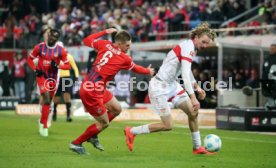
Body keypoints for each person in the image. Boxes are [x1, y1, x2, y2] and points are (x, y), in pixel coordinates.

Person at [124, 22, 217, 154]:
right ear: (196, 37)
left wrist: (197, 87)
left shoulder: (191, 47)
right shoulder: (188, 46)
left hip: (172, 85)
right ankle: (132, 131)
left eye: (207, 43)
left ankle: (197, 147)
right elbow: (185, 73)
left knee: (193, 112)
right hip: (159, 87)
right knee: (168, 125)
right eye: (203, 42)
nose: (205, 45)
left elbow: (187, 71)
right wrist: (193, 97)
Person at [69, 28, 154, 154]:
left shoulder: (104, 44)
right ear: (119, 44)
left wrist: (104, 32)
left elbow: (86, 40)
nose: (128, 48)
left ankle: (93, 134)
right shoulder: (124, 58)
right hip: (91, 91)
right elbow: (135, 68)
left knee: (117, 109)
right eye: (127, 45)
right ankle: (76, 143)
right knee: (104, 123)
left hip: (97, 88)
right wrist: (148, 71)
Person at [27, 29, 71, 137]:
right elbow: (30, 59)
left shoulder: (61, 50)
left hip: (53, 79)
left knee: (48, 102)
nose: (52, 38)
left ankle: (42, 122)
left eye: (55, 37)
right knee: (46, 98)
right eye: (51, 36)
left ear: (57, 39)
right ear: (48, 35)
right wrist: (35, 69)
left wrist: (58, 66)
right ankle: (45, 126)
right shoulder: (39, 47)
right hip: (42, 76)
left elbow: (67, 65)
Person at [52, 53, 79, 122]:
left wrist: (76, 76)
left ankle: (68, 115)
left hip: (66, 78)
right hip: (57, 78)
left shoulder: (69, 56)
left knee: (67, 96)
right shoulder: (54, 56)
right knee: (56, 97)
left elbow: (74, 67)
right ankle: (54, 113)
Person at [262, 40, 276, 109]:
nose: (271, 49)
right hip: (269, 89)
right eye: (271, 47)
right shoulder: (267, 59)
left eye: (273, 47)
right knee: (268, 109)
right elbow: (264, 74)